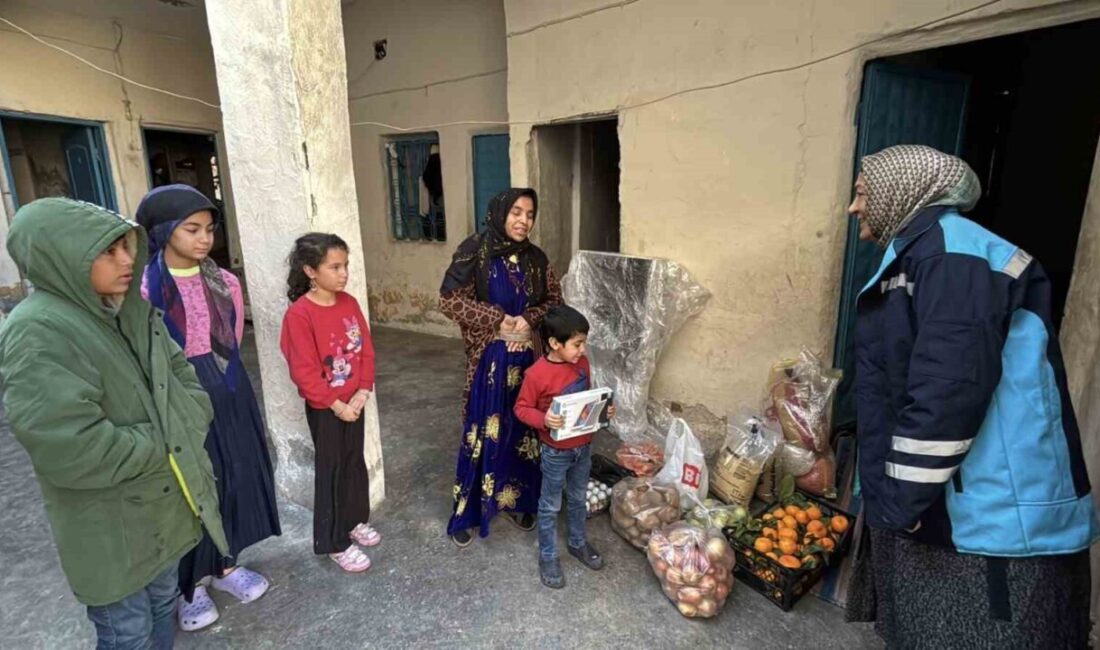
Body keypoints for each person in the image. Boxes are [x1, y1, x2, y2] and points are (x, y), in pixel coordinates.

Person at [844, 144, 1097, 647]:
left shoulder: (953, 256)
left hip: (989, 513)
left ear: (901, 190)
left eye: (861, 193)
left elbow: (948, 392)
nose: (853, 209)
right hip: (947, 501)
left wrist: (898, 504)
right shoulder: (923, 254)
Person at [0, 198, 228, 649]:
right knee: (129, 633)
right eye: (108, 252)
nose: (127, 261)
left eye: (127, 247)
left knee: (164, 609)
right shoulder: (39, 331)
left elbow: (183, 378)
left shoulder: (128, 310)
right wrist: (167, 438)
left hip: (161, 510)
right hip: (110, 528)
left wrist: (188, 416)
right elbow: (72, 448)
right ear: (62, 256)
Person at [135, 185, 280, 631]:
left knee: (234, 474)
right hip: (175, 395)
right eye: (191, 229)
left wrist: (218, 382)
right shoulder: (144, 289)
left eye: (209, 229)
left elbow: (232, 340)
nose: (204, 239)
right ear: (162, 232)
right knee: (191, 487)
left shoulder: (226, 283)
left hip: (228, 388)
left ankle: (227, 566)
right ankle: (190, 585)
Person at [439, 187, 563, 547]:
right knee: (484, 430)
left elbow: (555, 301)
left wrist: (526, 319)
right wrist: (497, 320)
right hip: (490, 360)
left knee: (522, 430)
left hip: (528, 362)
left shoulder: (537, 259)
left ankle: (518, 499)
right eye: (516, 212)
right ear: (499, 213)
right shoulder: (474, 250)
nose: (523, 221)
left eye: (530, 214)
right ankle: (470, 510)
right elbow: (449, 300)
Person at [279, 233, 380, 573]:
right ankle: (334, 541)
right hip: (328, 408)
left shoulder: (349, 303)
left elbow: (365, 349)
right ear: (310, 270)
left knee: (353, 463)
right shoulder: (300, 315)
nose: (343, 274)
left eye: (345, 266)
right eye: (334, 267)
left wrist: (363, 391)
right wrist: (338, 405)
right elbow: (304, 372)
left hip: (355, 402)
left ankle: (353, 521)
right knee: (332, 469)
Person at [514, 305, 610, 588]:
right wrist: (544, 419)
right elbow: (521, 408)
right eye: (577, 344)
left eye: (584, 343)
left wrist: (603, 411)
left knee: (578, 499)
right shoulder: (536, 374)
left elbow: (586, 402)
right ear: (555, 344)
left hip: (584, 448)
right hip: (555, 452)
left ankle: (578, 543)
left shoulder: (583, 364)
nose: (582, 350)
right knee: (550, 505)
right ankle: (547, 555)